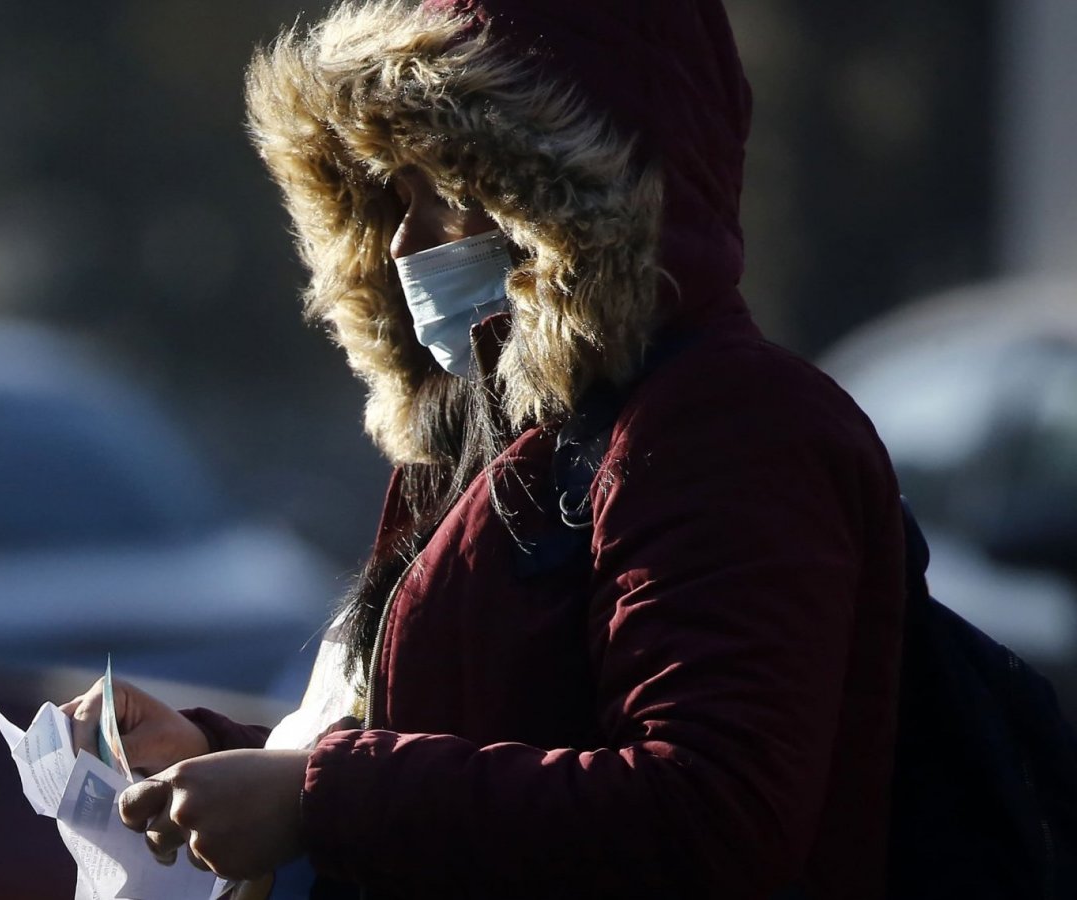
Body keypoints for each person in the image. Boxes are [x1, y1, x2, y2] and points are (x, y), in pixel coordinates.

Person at [63, 0, 906, 897]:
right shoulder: (496, 437)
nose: (400, 241)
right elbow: (472, 736)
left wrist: (316, 799)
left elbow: (713, 815)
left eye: (450, 194)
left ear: (566, 209)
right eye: (394, 192)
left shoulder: (729, 428)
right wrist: (217, 761)